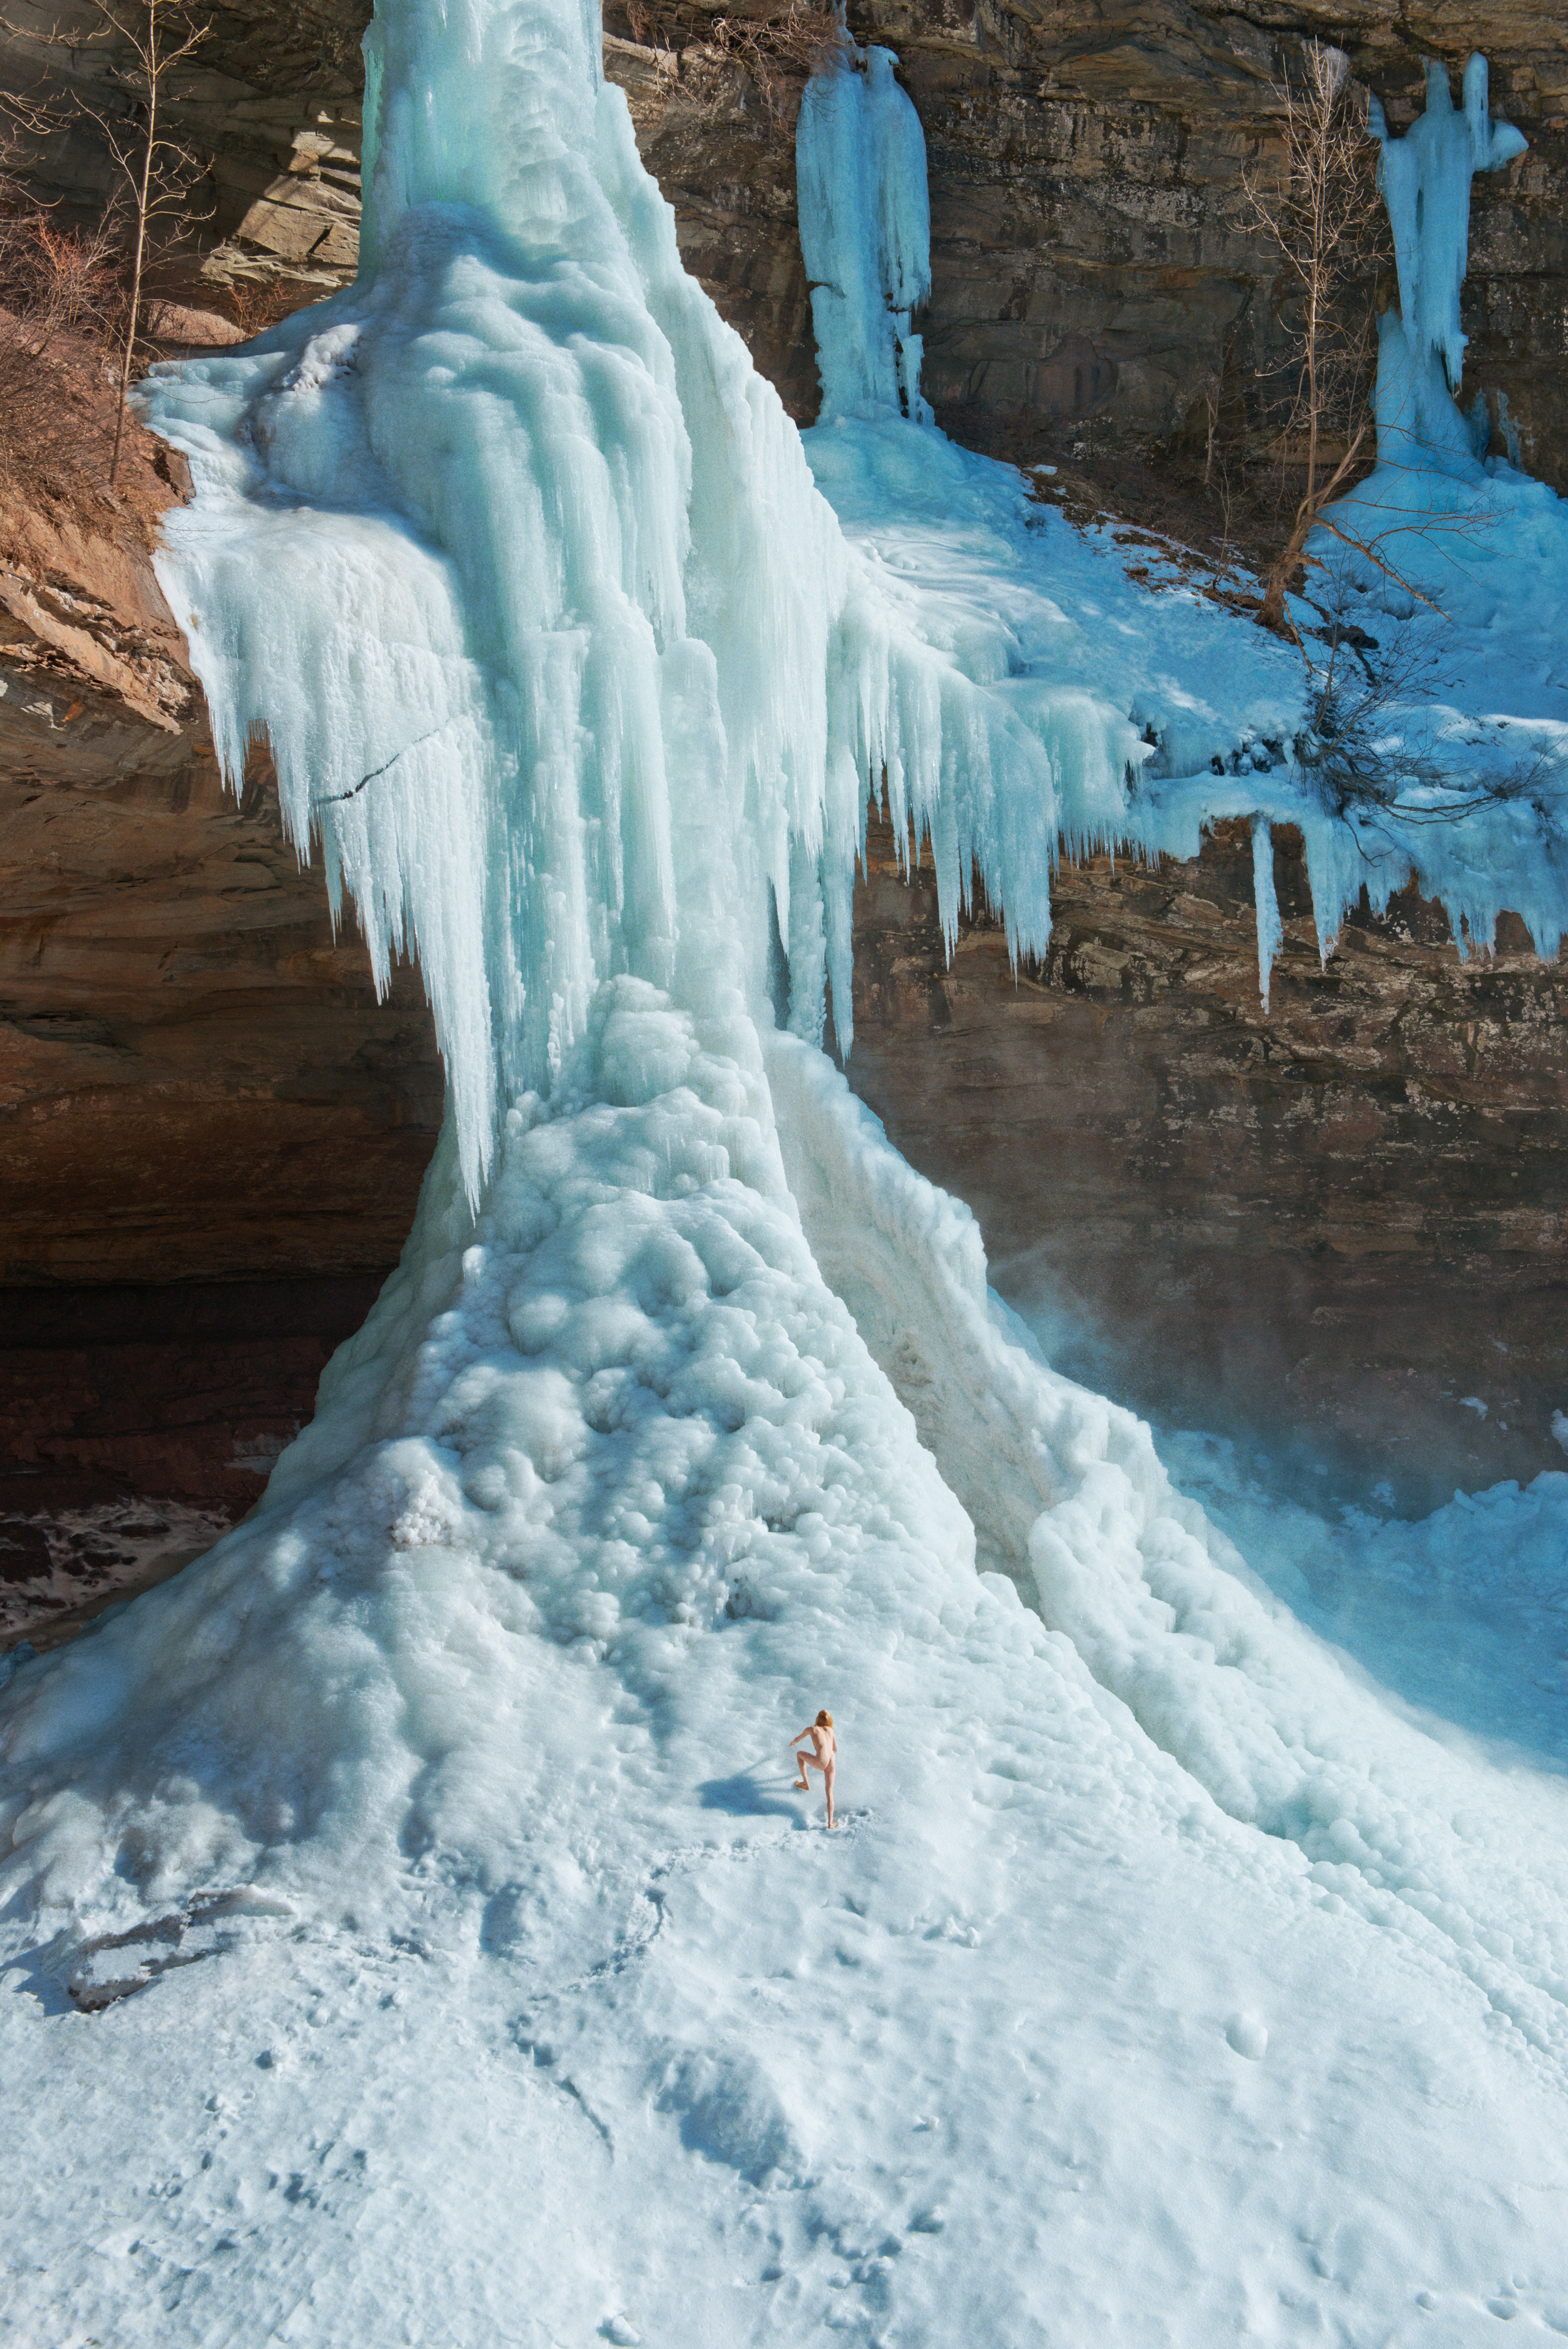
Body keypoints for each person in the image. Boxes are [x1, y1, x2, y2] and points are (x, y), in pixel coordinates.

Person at [790, 1709, 836, 1828]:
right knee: (829, 1792)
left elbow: (798, 1738)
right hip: (832, 1761)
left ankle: (805, 1783)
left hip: (821, 1761)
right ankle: (830, 1823)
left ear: (817, 1719)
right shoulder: (830, 1730)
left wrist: (793, 1743)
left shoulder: (811, 1729)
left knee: (799, 1754)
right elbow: (835, 1748)